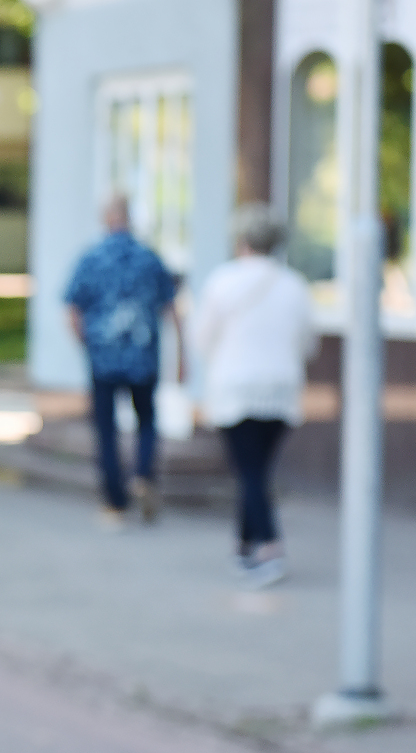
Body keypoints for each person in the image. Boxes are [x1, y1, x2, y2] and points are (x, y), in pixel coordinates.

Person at [191, 204, 318, 587]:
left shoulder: (223, 281)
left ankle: (269, 545)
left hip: (236, 388)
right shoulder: (294, 285)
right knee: (257, 469)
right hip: (280, 389)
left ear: (242, 240)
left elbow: (201, 338)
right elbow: (308, 343)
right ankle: (244, 544)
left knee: (249, 471)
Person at [62, 194, 184, 528]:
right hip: (143, 356)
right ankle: (143, 474)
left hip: (103, 357)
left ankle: (115, 500)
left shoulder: (91, 258)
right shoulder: (149, 258)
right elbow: (171, 308)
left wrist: (85, 345)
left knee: (106, 427)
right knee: (146, 419)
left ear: (106, 218)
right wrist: (182, 356)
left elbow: (72, 309)